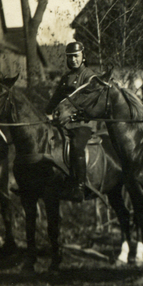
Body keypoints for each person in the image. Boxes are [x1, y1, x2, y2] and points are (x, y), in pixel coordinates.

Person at [45, 41, 97, 201]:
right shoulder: (66, 77)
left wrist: (77, 115)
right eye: (70, 57)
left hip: (82, 123)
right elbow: (55, 99)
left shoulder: (89, 76)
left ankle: (80, 186)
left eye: (76, 56)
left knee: (76, 145)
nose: (73, 60)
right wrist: (47, 113)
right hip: (64, 122)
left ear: (83, 56)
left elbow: (92, 103)